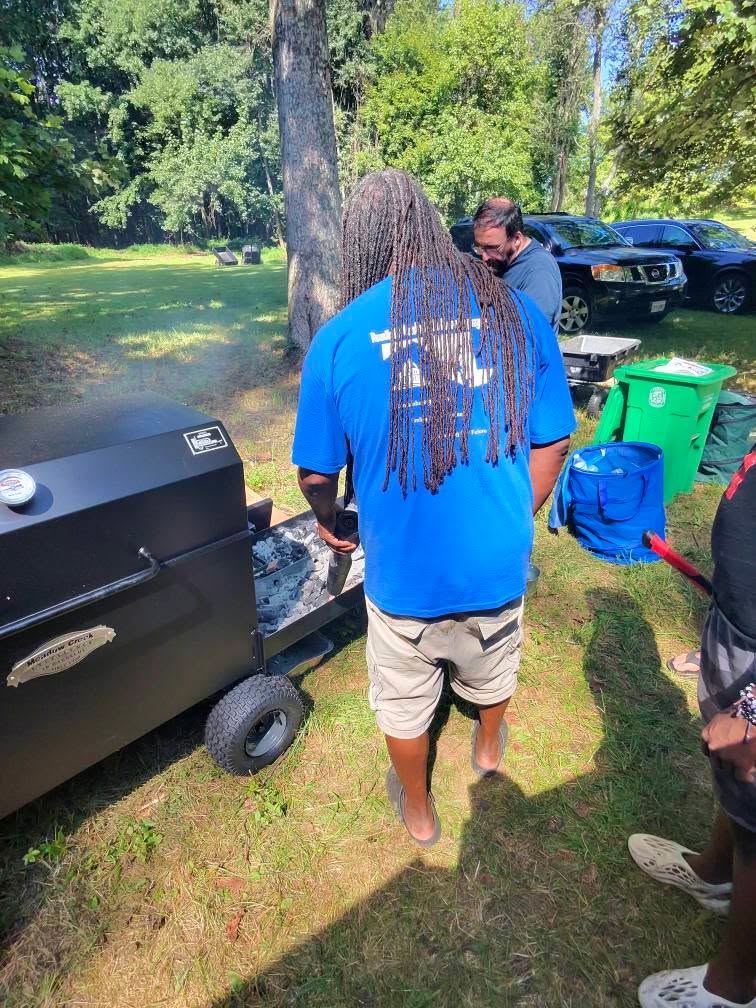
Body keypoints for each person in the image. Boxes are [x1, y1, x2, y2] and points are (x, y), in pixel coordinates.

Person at [292, 169, 575, 846]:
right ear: (428, 224)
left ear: (360, 244)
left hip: (404, 580)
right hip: (497, 565)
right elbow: (555, 439)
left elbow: (313, 474)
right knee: (496, 662)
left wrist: (331, 521)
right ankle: (487, 748)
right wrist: (520, 514)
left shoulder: (339, 338)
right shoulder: (515, 314)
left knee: (403, 700)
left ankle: (418, 811)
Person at [629, 446, 756, 1008]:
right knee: (738, 794)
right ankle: (715, 873)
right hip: (741, 634)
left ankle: (734, 986)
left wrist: (753, 712)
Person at [472, 198, 562, 332]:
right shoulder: (500, 263)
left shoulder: (539, 270)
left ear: (516, 239)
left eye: (492, 248)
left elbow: (532, 332)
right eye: (479, 247)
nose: (484, 257)